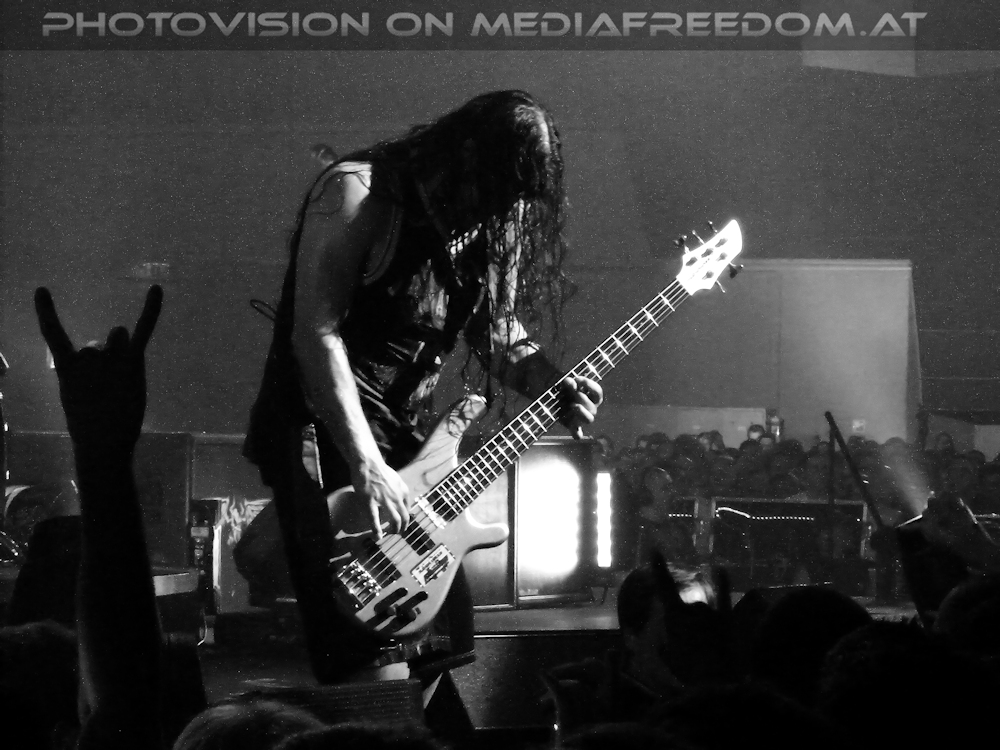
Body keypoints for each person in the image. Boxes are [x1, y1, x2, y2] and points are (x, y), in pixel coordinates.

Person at [240, 91, 604, 690]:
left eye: (516, 198)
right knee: (367, 645)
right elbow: (315, 333)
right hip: (323, 425)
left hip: (402, 436)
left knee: (439, 637)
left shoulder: (498, 220)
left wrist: (549, 380)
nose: (504, 208)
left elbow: (496, 330)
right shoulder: (358, 192)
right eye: (497, 190)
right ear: (465, 158)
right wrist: (366, 465)